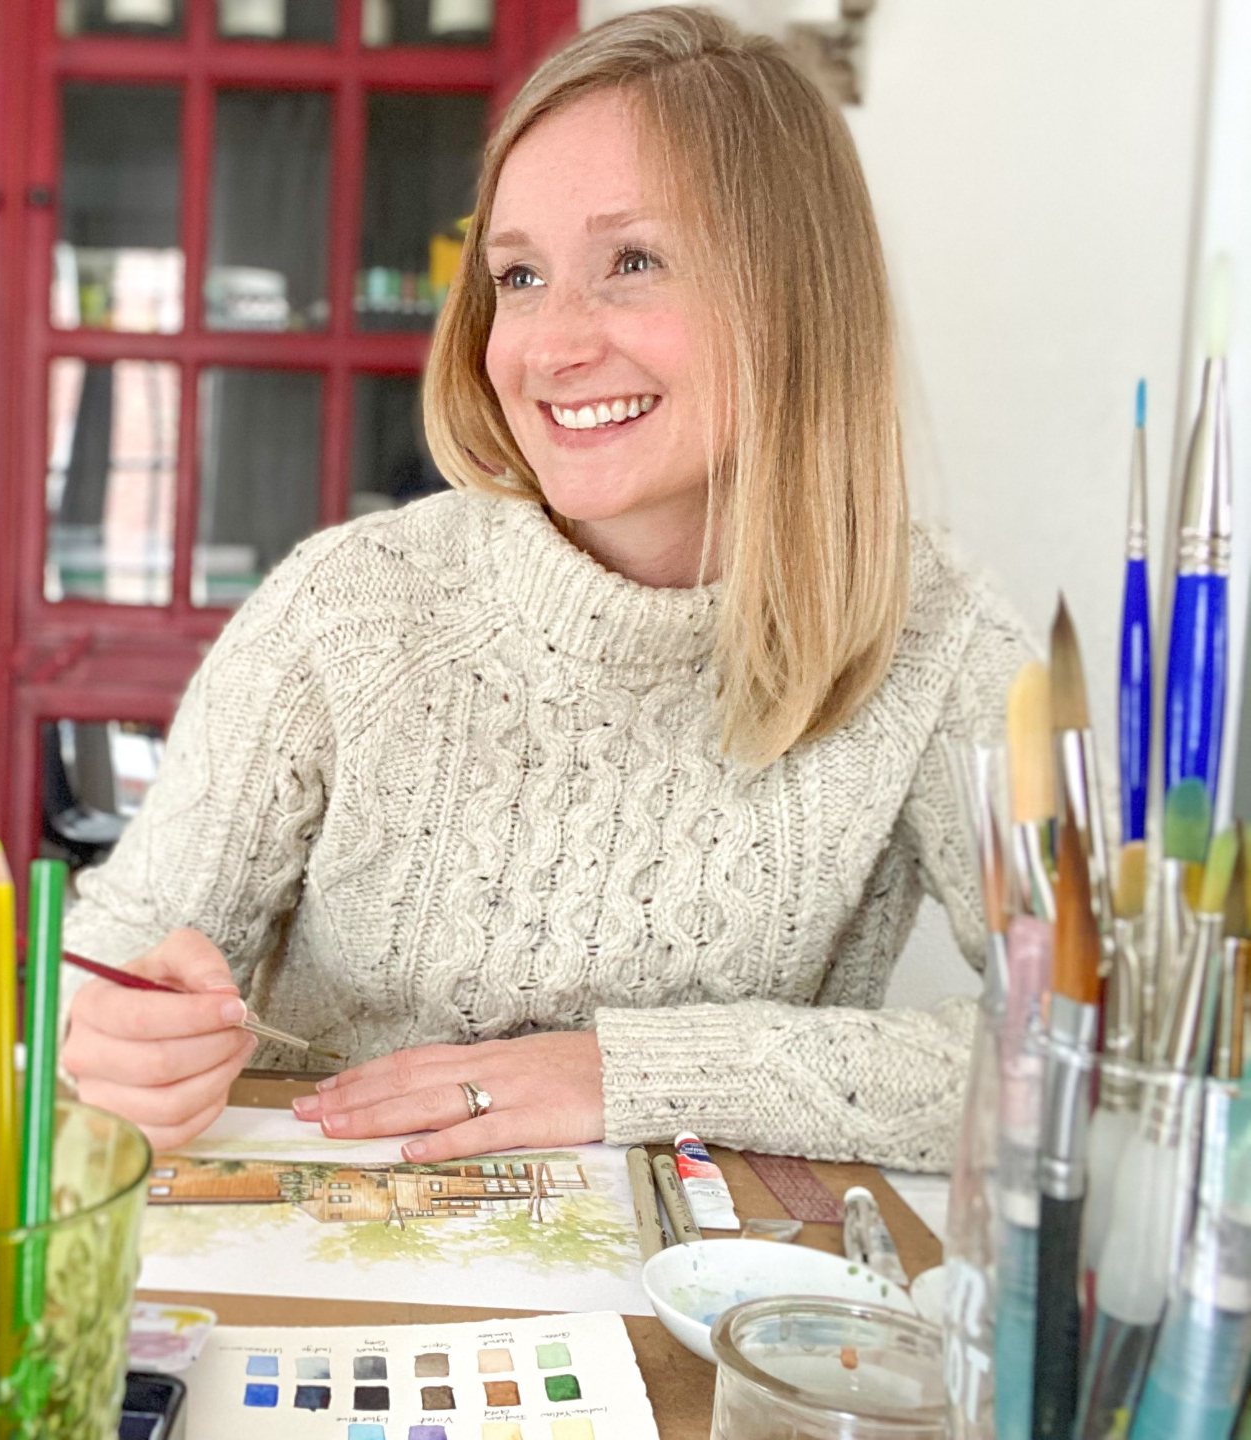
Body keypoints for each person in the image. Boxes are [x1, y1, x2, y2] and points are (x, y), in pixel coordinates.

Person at [59, 5, 1030, 1172]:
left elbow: (1102, 1051)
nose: (550, 345)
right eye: (518, 275)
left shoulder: (936, 635)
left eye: (632, 262)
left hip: (699, 1281)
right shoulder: (346, 609)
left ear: (792, 298)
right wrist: (105, 1037)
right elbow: (99, 971)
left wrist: (627, 1072)